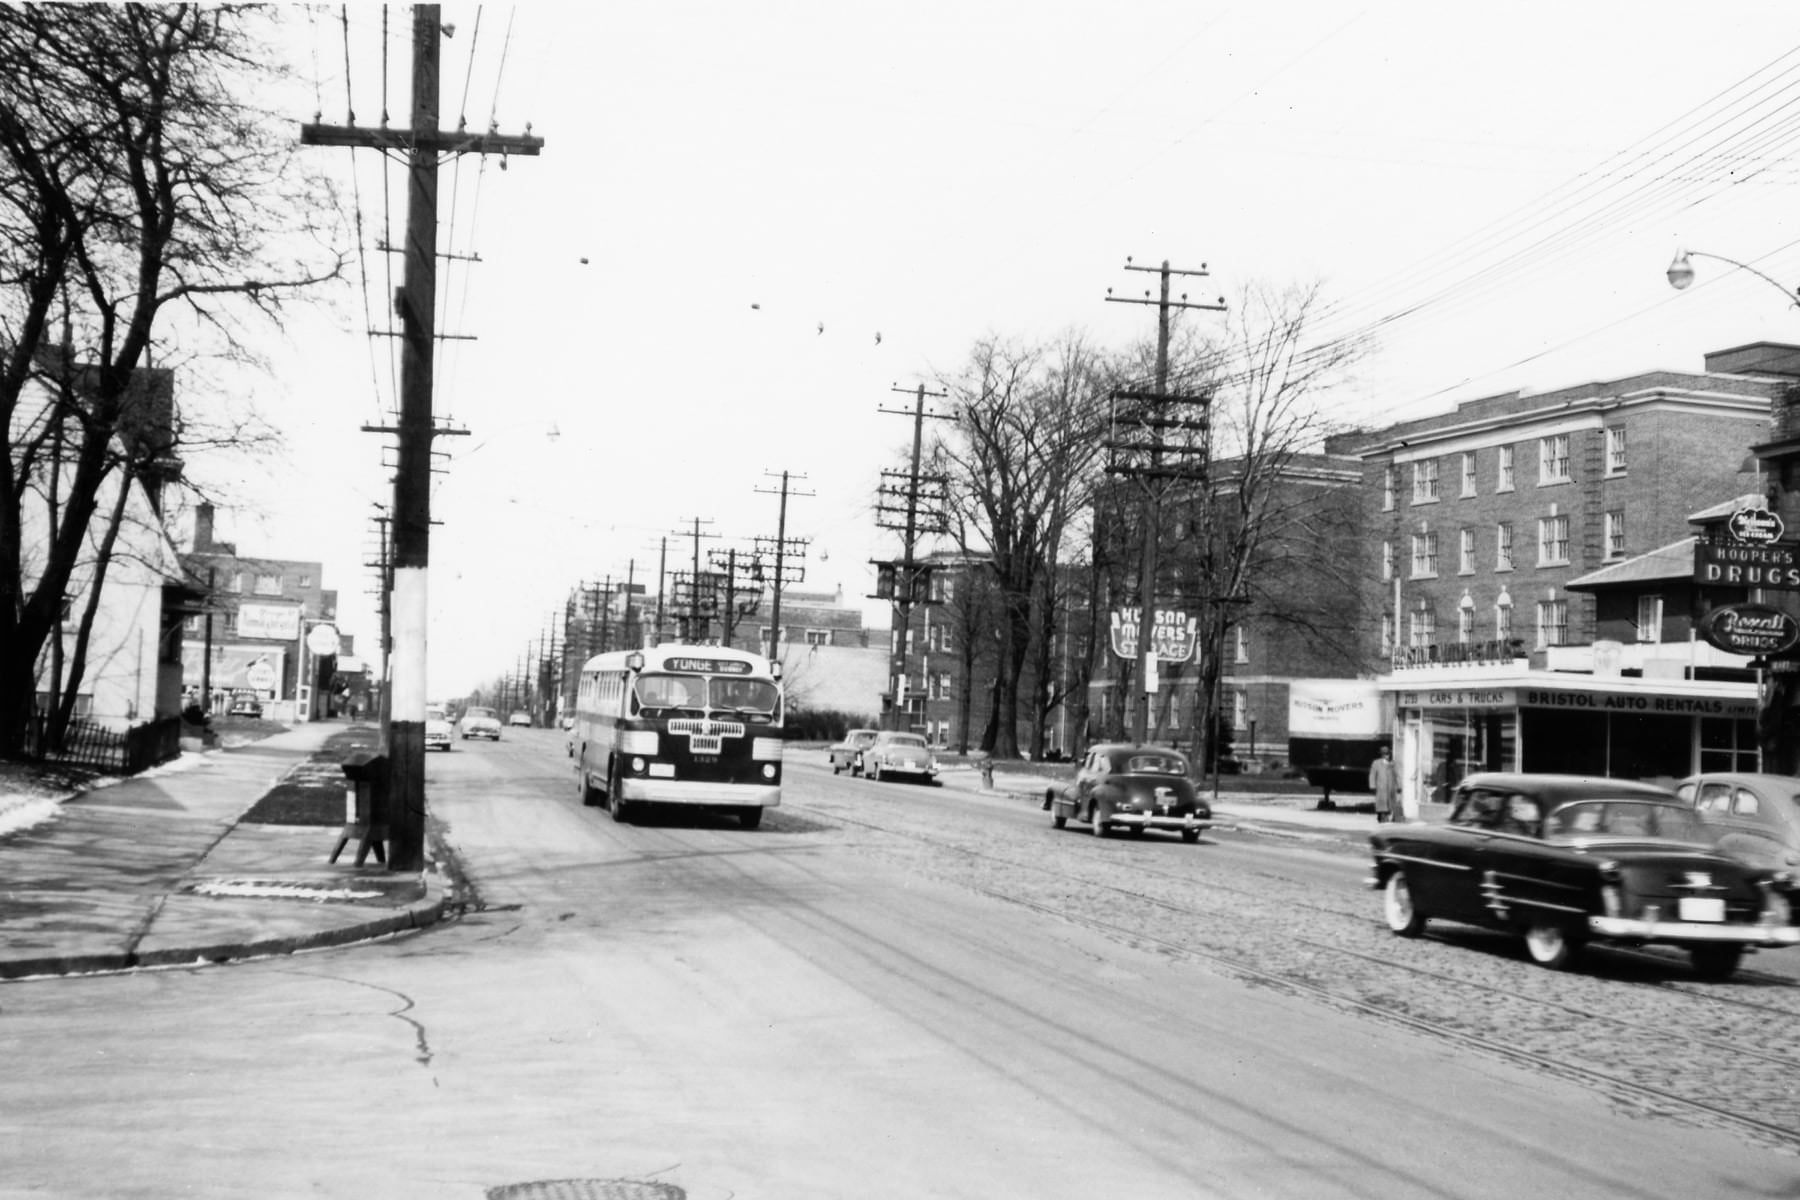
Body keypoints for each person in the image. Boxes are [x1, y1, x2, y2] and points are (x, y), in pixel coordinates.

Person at [1369, 744, 1398, 823]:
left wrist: (1398, 786)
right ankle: (1381, 815)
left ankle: (1387, 815)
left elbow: (1396, 775)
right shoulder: (1376, 763)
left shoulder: (1392, 764)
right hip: (1381, 787)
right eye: (1385, 754)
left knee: (1390, 802)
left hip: (1390, 786)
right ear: (1382, 755)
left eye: (1388, 754)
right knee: (1381, 802)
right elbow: (1372, 775)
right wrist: (1372, 785)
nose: (1387, 756)